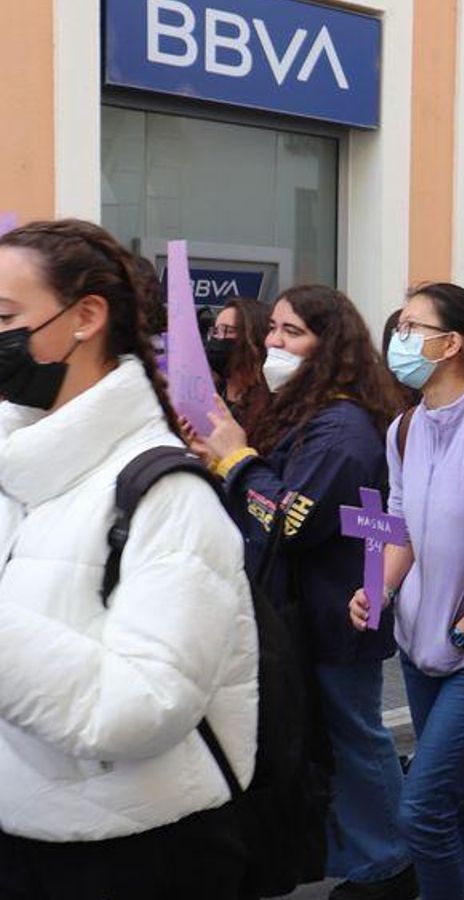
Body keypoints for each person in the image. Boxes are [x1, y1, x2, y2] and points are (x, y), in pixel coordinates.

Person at [0, 219, 257, 896]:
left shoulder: (167, 494)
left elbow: (140, 705)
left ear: (85, 317)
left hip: (135, 853)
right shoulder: (17, 469)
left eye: (3, 315)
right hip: (22, 829)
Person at [187, 285, 416, 900]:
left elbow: (294, 520)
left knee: (355, 739)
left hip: (338, 612)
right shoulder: (304, 411)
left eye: (292, 333)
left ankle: (391, 862)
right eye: (274, 331)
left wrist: (236, 462)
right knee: (324, 739)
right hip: (300, 612)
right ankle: (361, 852)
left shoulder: (341, 427)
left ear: (328, 346)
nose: (273, 344)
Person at [348, 282, 464, 900]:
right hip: (418, 648)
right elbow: (400, 524)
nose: (398, 340)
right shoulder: (403, 428)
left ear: (451, 344)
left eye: (410, 327)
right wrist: (378, 587)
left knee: (421, 811)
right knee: (462, 802)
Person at [206, 295, 271, 429]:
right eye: (216, 332)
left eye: (228, 331)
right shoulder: (210, 393)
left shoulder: (270, 405)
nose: (219, 339)